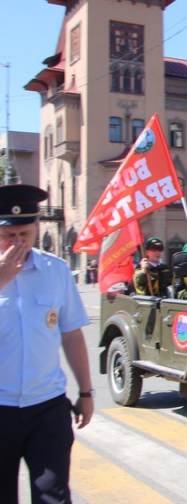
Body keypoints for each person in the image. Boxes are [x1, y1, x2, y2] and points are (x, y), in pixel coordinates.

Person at [0, 184, 94, 503]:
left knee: (53, 495)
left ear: (36, 228)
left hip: (47, 407)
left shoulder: (56, 270)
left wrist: (86, 392)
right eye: (8, 235)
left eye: (25, 234)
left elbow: (71, 334)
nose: (18, 243)